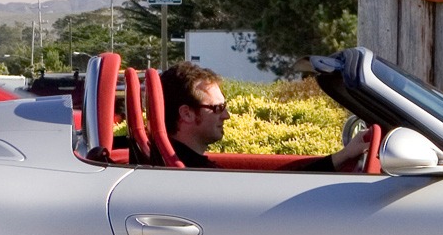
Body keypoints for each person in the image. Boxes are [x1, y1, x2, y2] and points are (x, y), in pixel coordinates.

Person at [158, 61, 371, 171]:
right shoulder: (196, 174)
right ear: (186, 113)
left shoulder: (182, 166)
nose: (227, 116)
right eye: (217, 108)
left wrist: (344, 155)